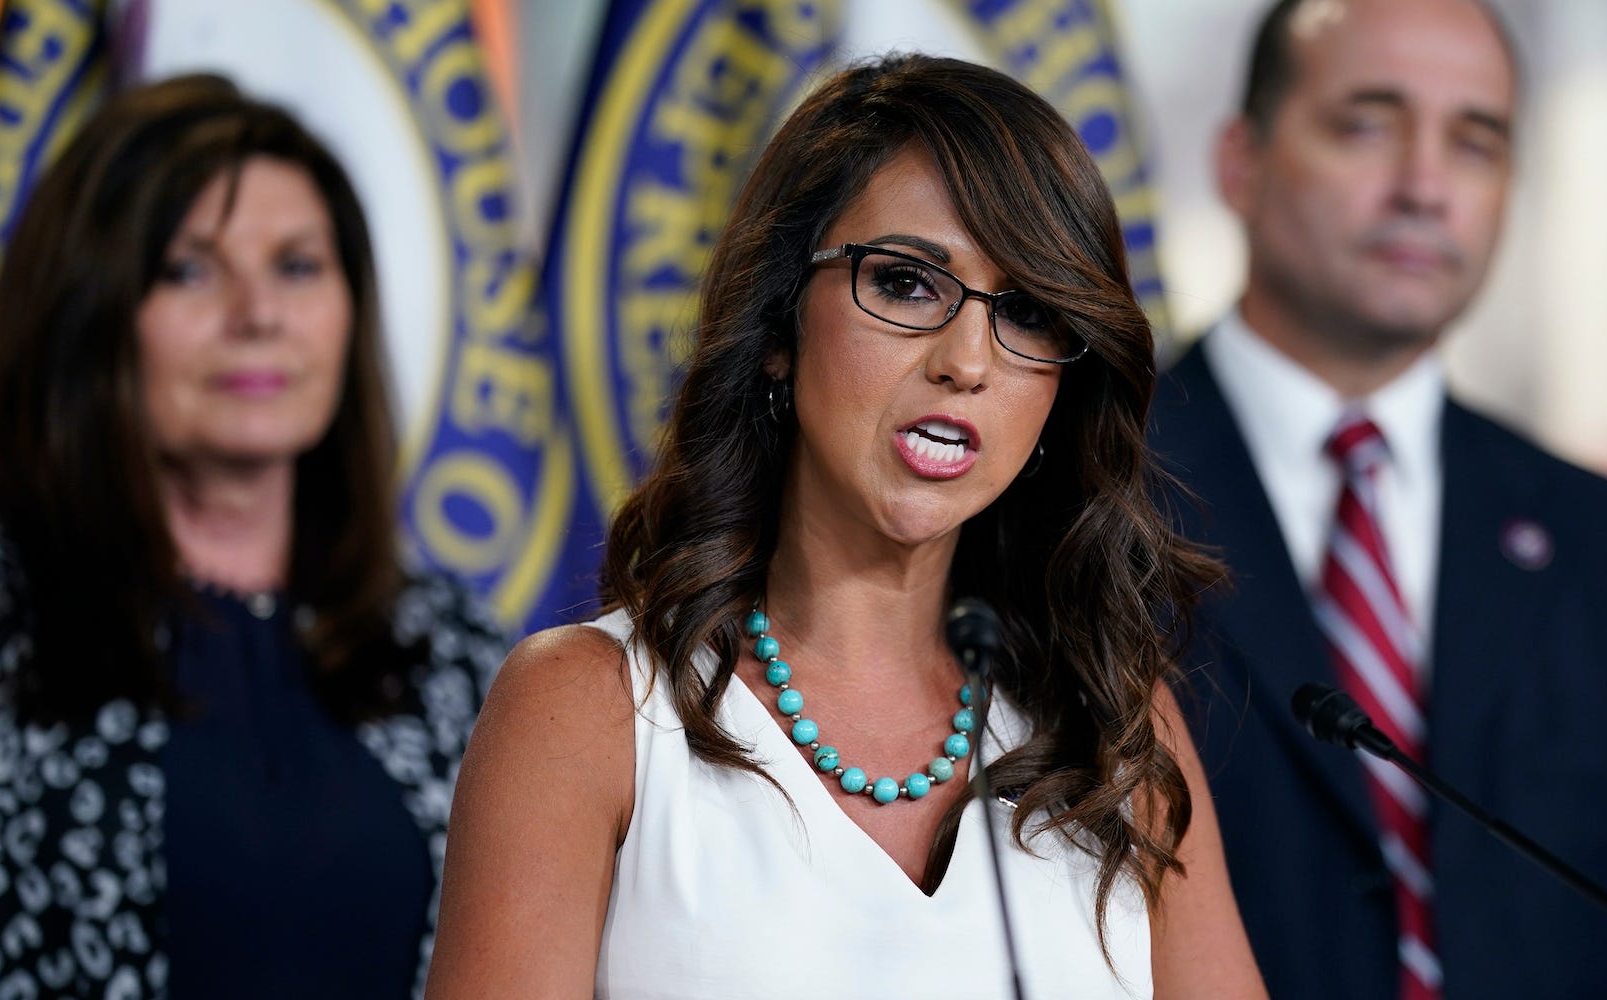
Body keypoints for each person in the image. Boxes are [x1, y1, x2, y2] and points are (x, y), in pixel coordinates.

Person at [427, 55, 1266, 999]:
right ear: (780, 327)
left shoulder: (1112, 726)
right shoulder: (585, 712)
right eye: (907, 283)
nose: (967, 361)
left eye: (1028, 313)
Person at [1149, 1, 1607, 998]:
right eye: (1365, 122)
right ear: (1240, 162)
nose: (1422, 186)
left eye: (1474, 141)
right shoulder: (1080, 491)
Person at [0, 75, 507, 998]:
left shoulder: (457, 656)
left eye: (298, 266)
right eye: (191, 270)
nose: (258, 314)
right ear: (89, 316)